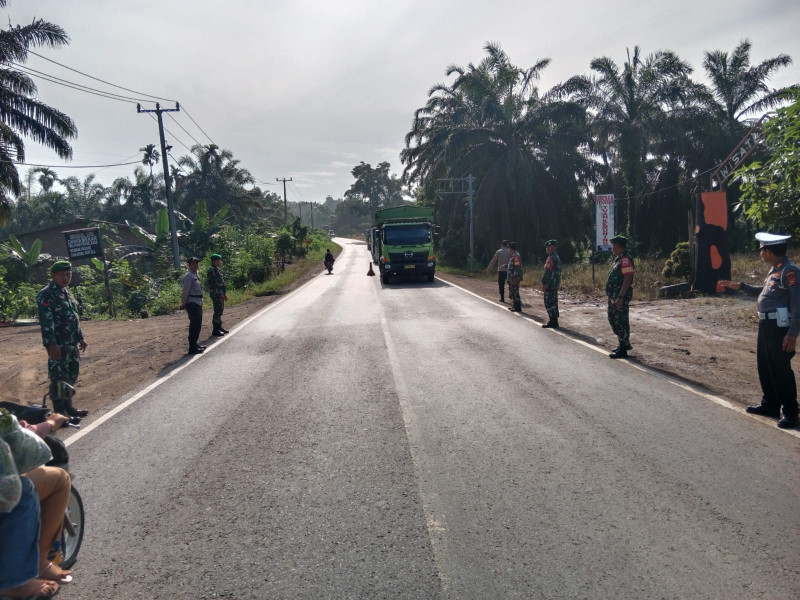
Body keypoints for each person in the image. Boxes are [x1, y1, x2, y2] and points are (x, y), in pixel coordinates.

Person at [726, 232, 799, 429]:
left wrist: (792, 333)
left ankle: (791, 412)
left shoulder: (790, 271)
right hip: (766, 325)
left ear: (768, 251)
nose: (760, 253)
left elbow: (797, 304)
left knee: (780, 369)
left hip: (779, 327)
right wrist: (741, 286)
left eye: (761, 249)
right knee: (765, 366)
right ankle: (770, 405)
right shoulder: (776, 269)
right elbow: (765, 292)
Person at [36, 260, 89, 418]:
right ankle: (59, 413)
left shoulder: (65, 291)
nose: (66, 278)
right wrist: (51, 344)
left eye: (68, 274)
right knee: (59, 378)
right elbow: (46, 322)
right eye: (62, 275)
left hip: (72, 343)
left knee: (71, 376)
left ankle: (69, 408)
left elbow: (73, 316)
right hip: (58, 344)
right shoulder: (46, 294)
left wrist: (81, 337)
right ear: (53, 275)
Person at [606, 235, 635, 358]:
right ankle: (622, 343)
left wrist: (621, 297)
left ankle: (623, 348)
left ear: (618, 246)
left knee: (620, 320)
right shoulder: (619, 259)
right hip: (614, 296)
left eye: (613, 245)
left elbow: (628, 278)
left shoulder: (625, 260)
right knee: (613, 319)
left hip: (620, 296)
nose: (612, 248)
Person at [180, 257, 205, 355]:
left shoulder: (195, 275)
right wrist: (183, 303)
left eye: (196, 263)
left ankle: (195, 344)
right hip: (192, 303)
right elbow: (185, 291)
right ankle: (192, 347)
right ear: (189, 265)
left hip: (197, 302)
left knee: (198, 325)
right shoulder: (189, 276)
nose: (195, 265)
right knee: (194, 325)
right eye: (193, 264)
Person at [206, 254, 228, 337]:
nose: (220, 262)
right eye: (218, 260)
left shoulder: (216, 269)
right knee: (217, 310)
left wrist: (224, 293)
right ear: (214, 261)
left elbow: (221, 283)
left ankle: (219, 327)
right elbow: (215, 284)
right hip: (216, 293)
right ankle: (215, 329)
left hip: (220, 293)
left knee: (220, 310)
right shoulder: (211, 270)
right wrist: (220, 294)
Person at [541, 240, 561, 328]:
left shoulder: (551, 258)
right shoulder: (556, 257)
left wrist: (544, 282)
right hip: (554, 283)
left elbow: (547, 271)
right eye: (547, 247)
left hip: (549, 283)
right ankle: (554, 321)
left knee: (549, 302)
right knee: (553, 301)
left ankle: (552, 321)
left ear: (554, 248)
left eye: (549, 247)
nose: (547, 248)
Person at [507, 242, 523, 312]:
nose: (508, 249)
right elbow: (512, 266)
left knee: (515, 292)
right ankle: (514, 305)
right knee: (513, 292)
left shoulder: (516, 256)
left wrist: (515, 278)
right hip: (512, 277)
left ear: (511, 248)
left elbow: (517, 267)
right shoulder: (513, 255)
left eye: (508, 248)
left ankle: (517, 307)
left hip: (515, 278)